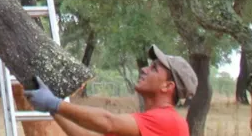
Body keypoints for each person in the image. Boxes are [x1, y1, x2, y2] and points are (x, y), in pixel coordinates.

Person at [26, 45, 197, 136]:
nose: (144, 69)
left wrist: (55, 103)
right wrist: (54, 110)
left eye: (154, 68)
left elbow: (108, 122)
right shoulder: (142, 125)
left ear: (167, 86)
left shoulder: (170, 121)